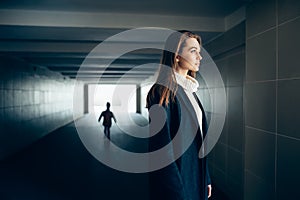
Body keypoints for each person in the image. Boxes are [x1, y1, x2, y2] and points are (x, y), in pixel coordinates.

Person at [146, 30, 212, 200]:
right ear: (176, 56)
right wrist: (175, 193)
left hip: (195, 177)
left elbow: (199, 141)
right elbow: (161, 151)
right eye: (193, 51)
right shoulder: (162, 92)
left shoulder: (190, 91)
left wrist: (206, 177)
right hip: (177, 186)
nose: (200, 57)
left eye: (199, 51)